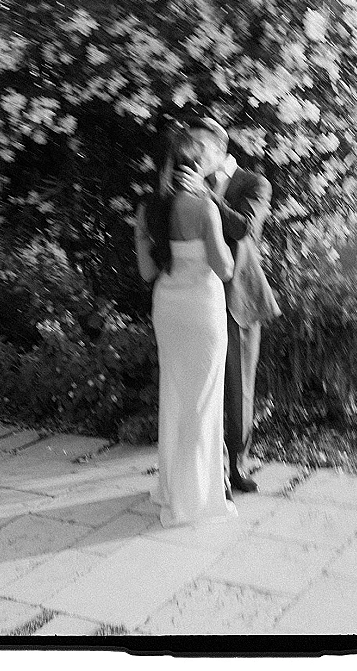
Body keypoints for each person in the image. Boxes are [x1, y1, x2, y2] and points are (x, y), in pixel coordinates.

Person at [135, 131, 237, 527]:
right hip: (202, 310)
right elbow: (224, 268)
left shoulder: (147, 211)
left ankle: (172, 489)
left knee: (175, 396)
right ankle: (196, 497)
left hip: (168, 308)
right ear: (193, 167)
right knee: (203, 401)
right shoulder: (203, 207)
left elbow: (147, 272)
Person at [176, 115, 281, 495]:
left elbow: (244, 229)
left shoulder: (253, 183)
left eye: (201, 147)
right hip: (196, 296)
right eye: (190, 146)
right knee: (201, 386)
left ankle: (237, 465)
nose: (193, 154)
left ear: (221, 150)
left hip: (238, 298)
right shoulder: (187, 185)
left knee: (238, 388)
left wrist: (207, 196)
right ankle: (205, 468)